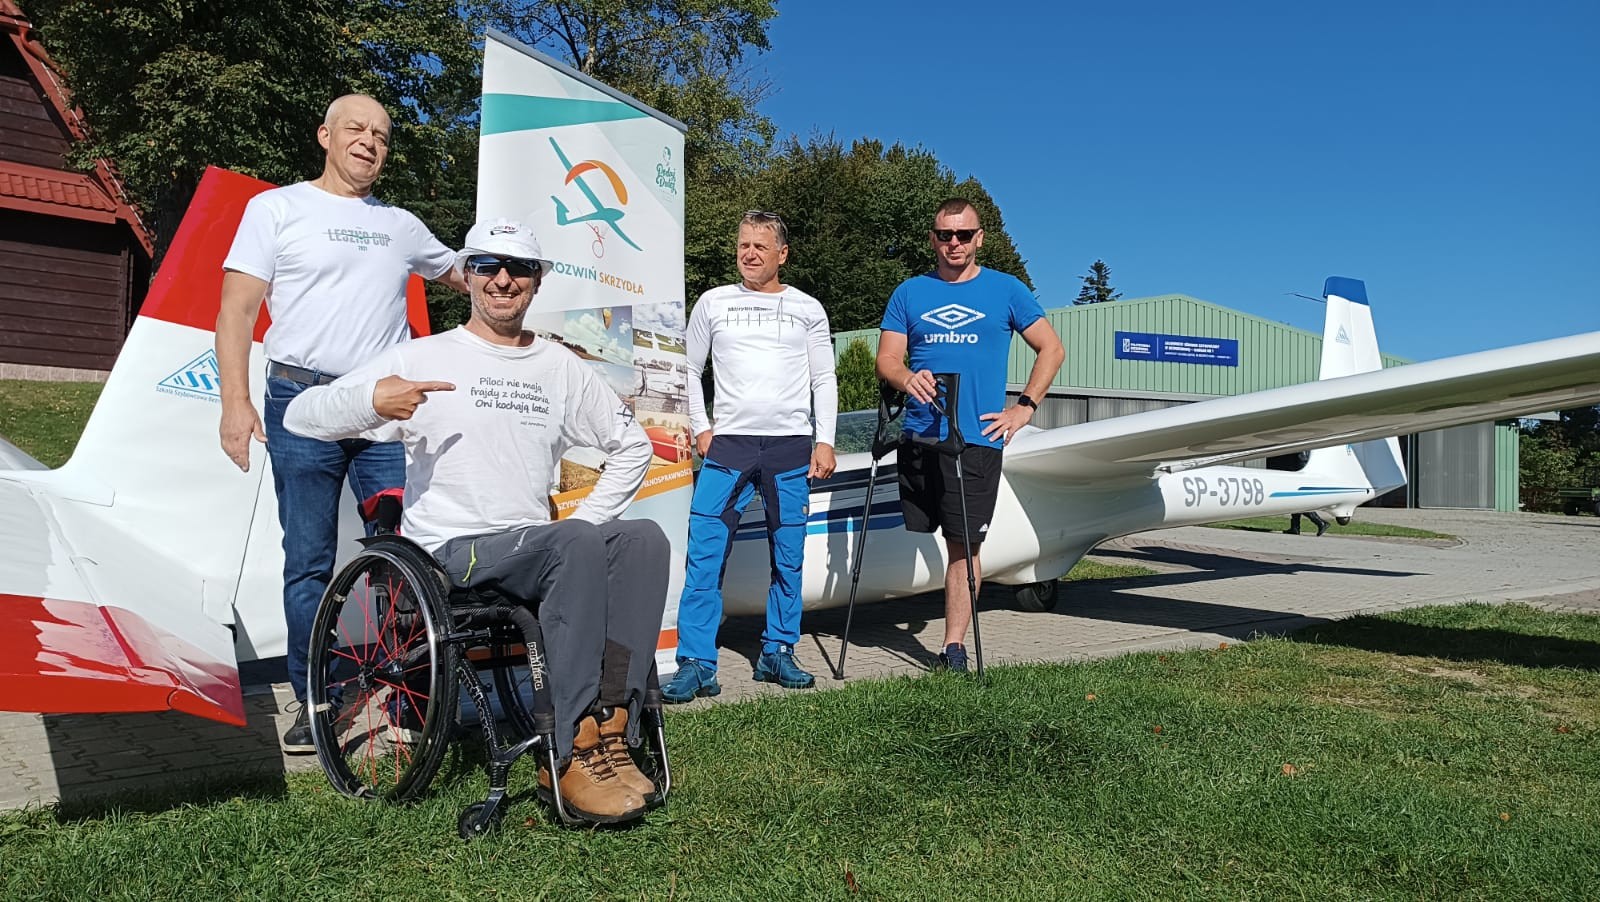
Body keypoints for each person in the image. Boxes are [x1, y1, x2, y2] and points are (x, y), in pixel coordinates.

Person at [283, 218, 669, 825]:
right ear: (467, 276)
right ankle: (566, 748)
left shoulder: (559, 366)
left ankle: (610, 728)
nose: (503, 279)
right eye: (487, 265)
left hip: (533, 545)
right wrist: (371, 400)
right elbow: (301, 415)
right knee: (573, 541)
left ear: (537, 281)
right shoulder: (422, 356)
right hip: (450, 552)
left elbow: (634, 447)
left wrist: (593, 523)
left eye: (519, 268)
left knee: (643, 539)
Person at [214, 94, 468, 753]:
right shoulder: (275, 209)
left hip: (381, 408)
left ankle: (405, 690)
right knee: (308, 561)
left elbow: (467, 275)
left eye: (381, 135)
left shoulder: (401, 225)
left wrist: (526, 263)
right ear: (325, 134)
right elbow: (236, 311)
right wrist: (236, 403)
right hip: (299, 402)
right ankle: (316, 700)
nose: (369, 142)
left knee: (401, 554)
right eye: (356, 128)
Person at [875, 198, 1064, 672]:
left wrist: (1024, 408)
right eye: (945, 235)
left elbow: (1051, 349)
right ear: (933, 239)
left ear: (979, 238)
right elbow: (887, 360)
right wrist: (906, 378)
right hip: (920, 437)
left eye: (963, 234)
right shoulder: (910, 292)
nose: (953, 243)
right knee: (928, 534)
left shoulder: (1007, 290)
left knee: (964, 544)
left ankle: (953, 647)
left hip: (975, 441)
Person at [662, 210, 838, 703]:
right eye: (743, 245)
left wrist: (825, 439)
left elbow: (823, 377)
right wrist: (701, 427)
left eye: (761, 246)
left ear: (783, 254)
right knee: (704, 555)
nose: (750, 254)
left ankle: (778, 651)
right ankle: (696, 662)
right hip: (730, 447)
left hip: (789, 448)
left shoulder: (808, 308)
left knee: (789, 557)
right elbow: (687, 369)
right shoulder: (713, 302)